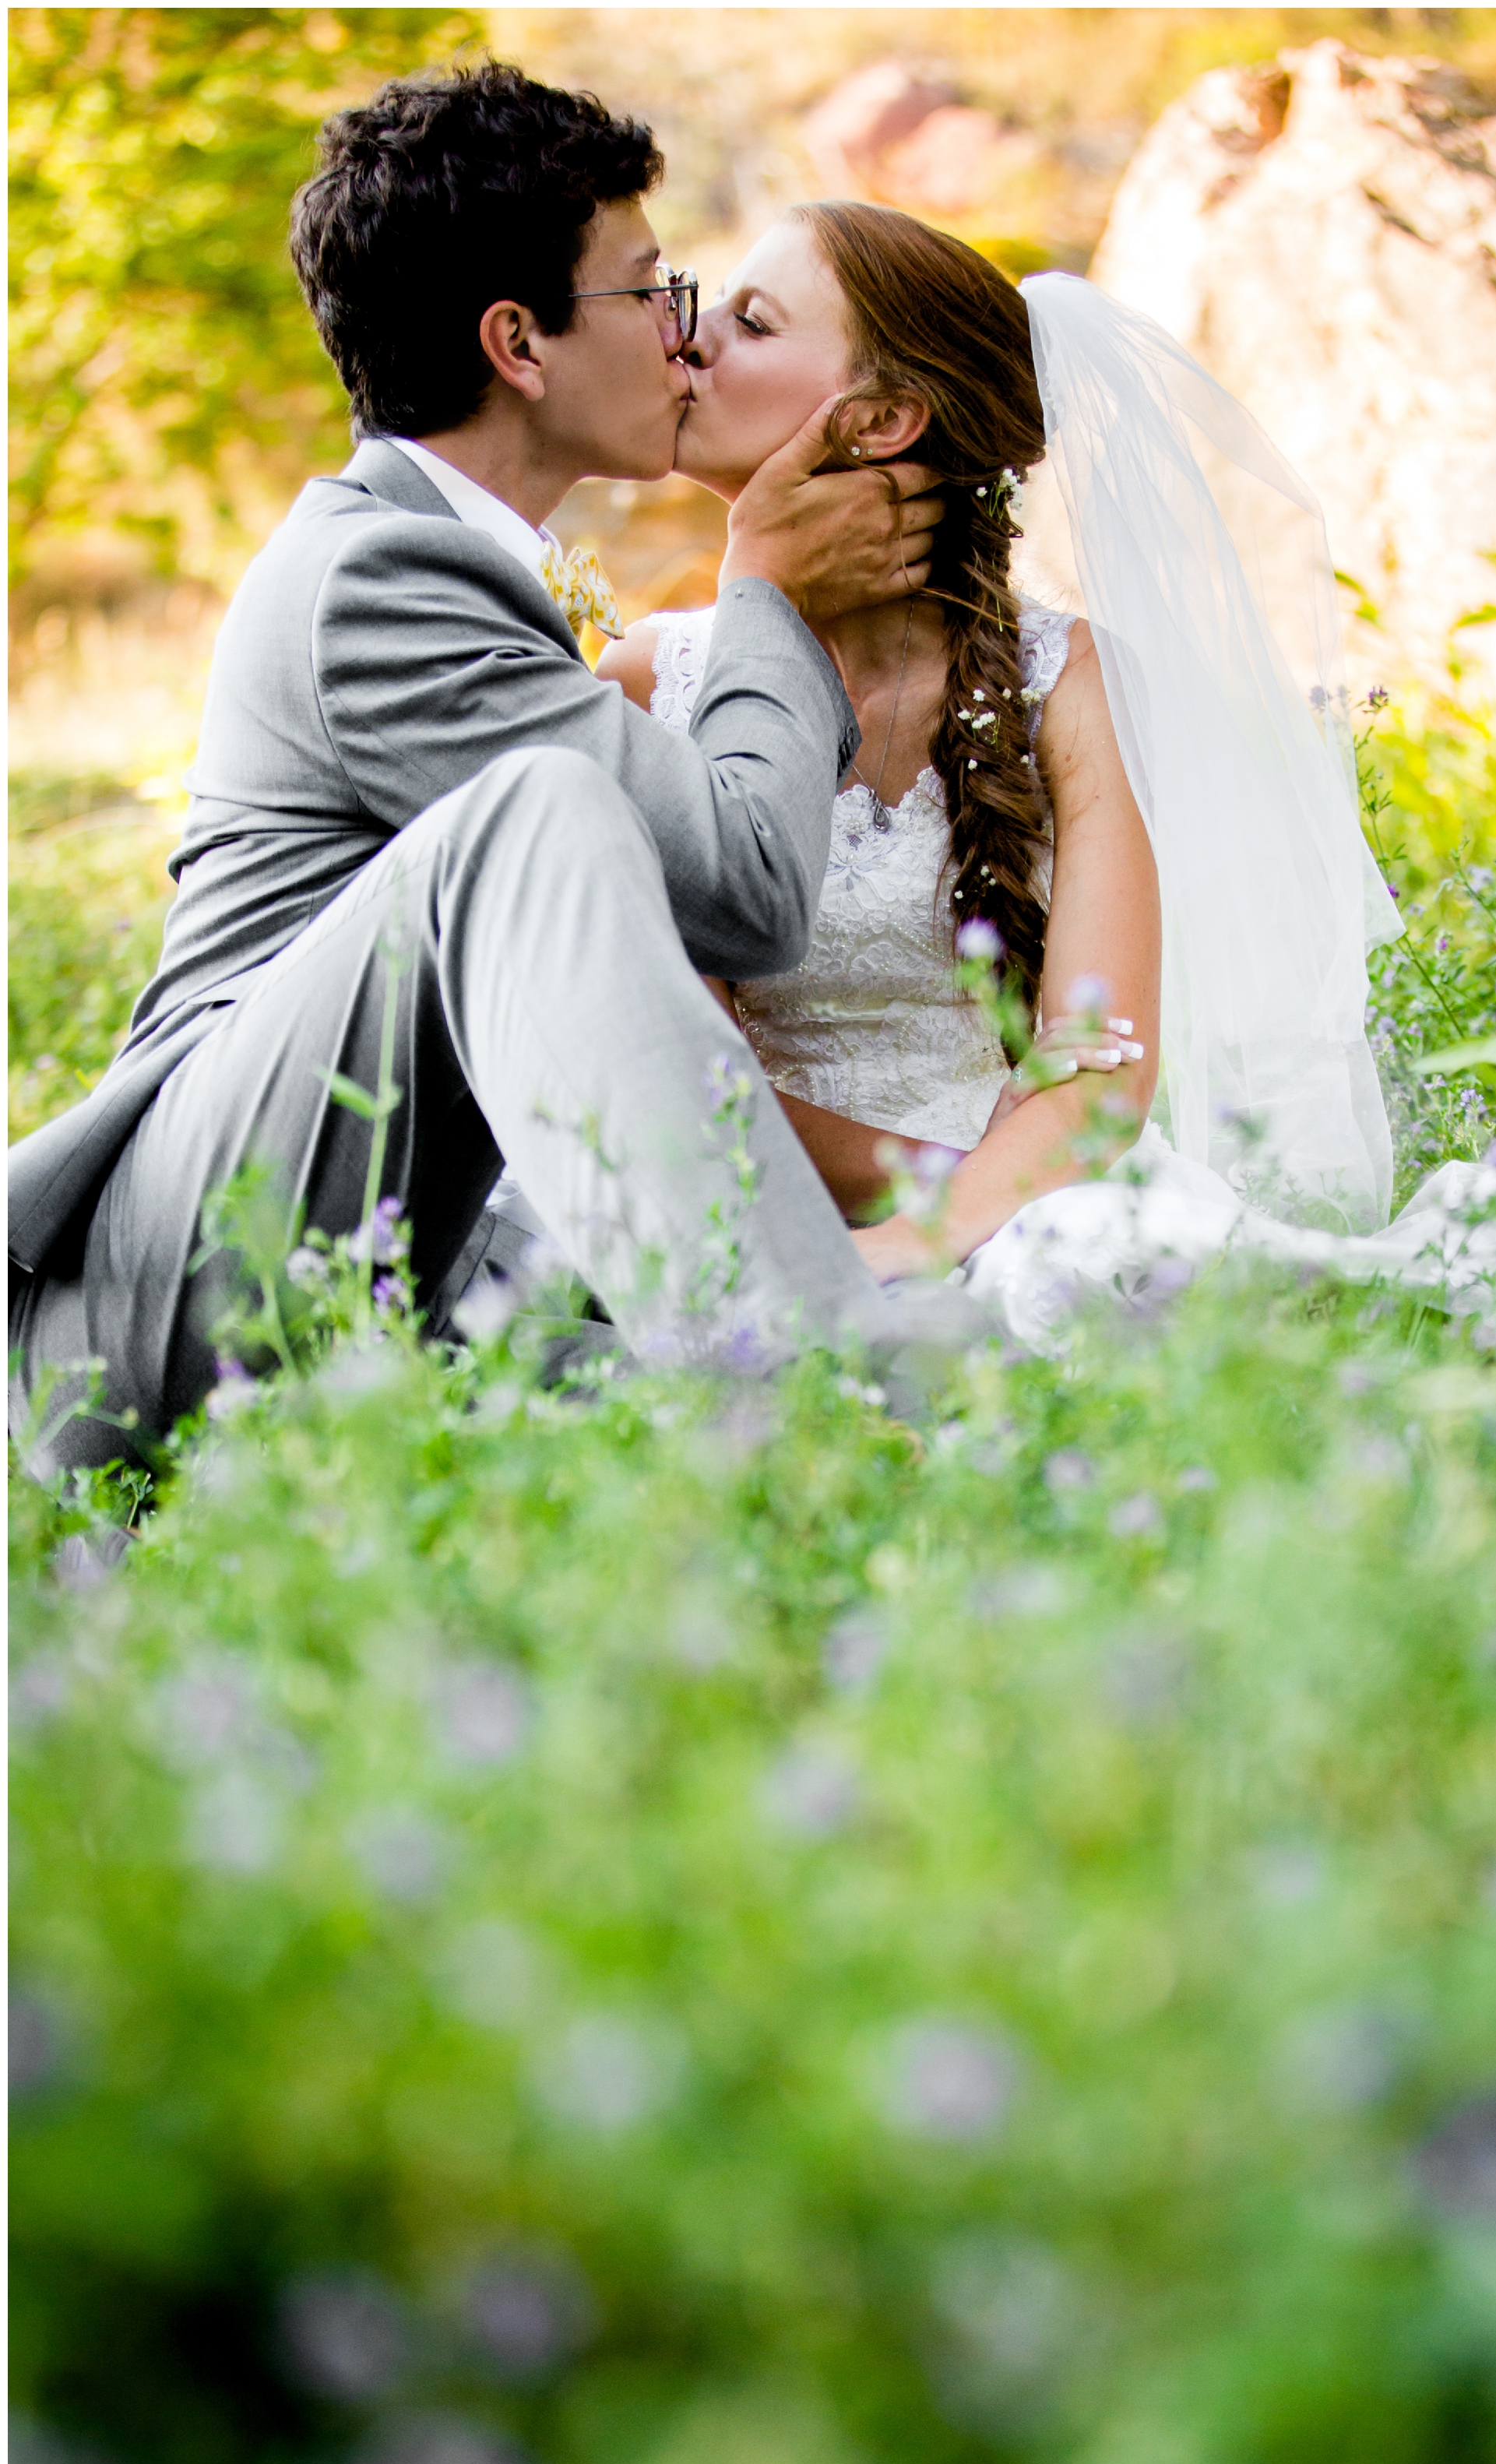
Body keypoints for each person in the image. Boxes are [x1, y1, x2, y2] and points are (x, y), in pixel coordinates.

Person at [9, 67, 953, 1474]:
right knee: (544, 806)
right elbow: (752, 891)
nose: (684, 337)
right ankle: (805, 1402)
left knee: (1005, 1343)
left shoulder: (455, 563)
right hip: (180, 1289)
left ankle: (811, 1373)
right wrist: (765, 585)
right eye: (651, 291)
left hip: (395, 1259)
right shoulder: (375, 574)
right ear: (520, 342)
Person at [516, 199, 1399, 1347]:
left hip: (1028, 1205)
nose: (690, 340)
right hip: (760, 1201)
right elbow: (687, 1070)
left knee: (1081, 1269)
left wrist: (944, 1233)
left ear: (881, 419)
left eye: (753, 320)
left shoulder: (1064, 680)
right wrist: (914, 1221)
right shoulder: (648, 681)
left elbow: (1103, 1077)